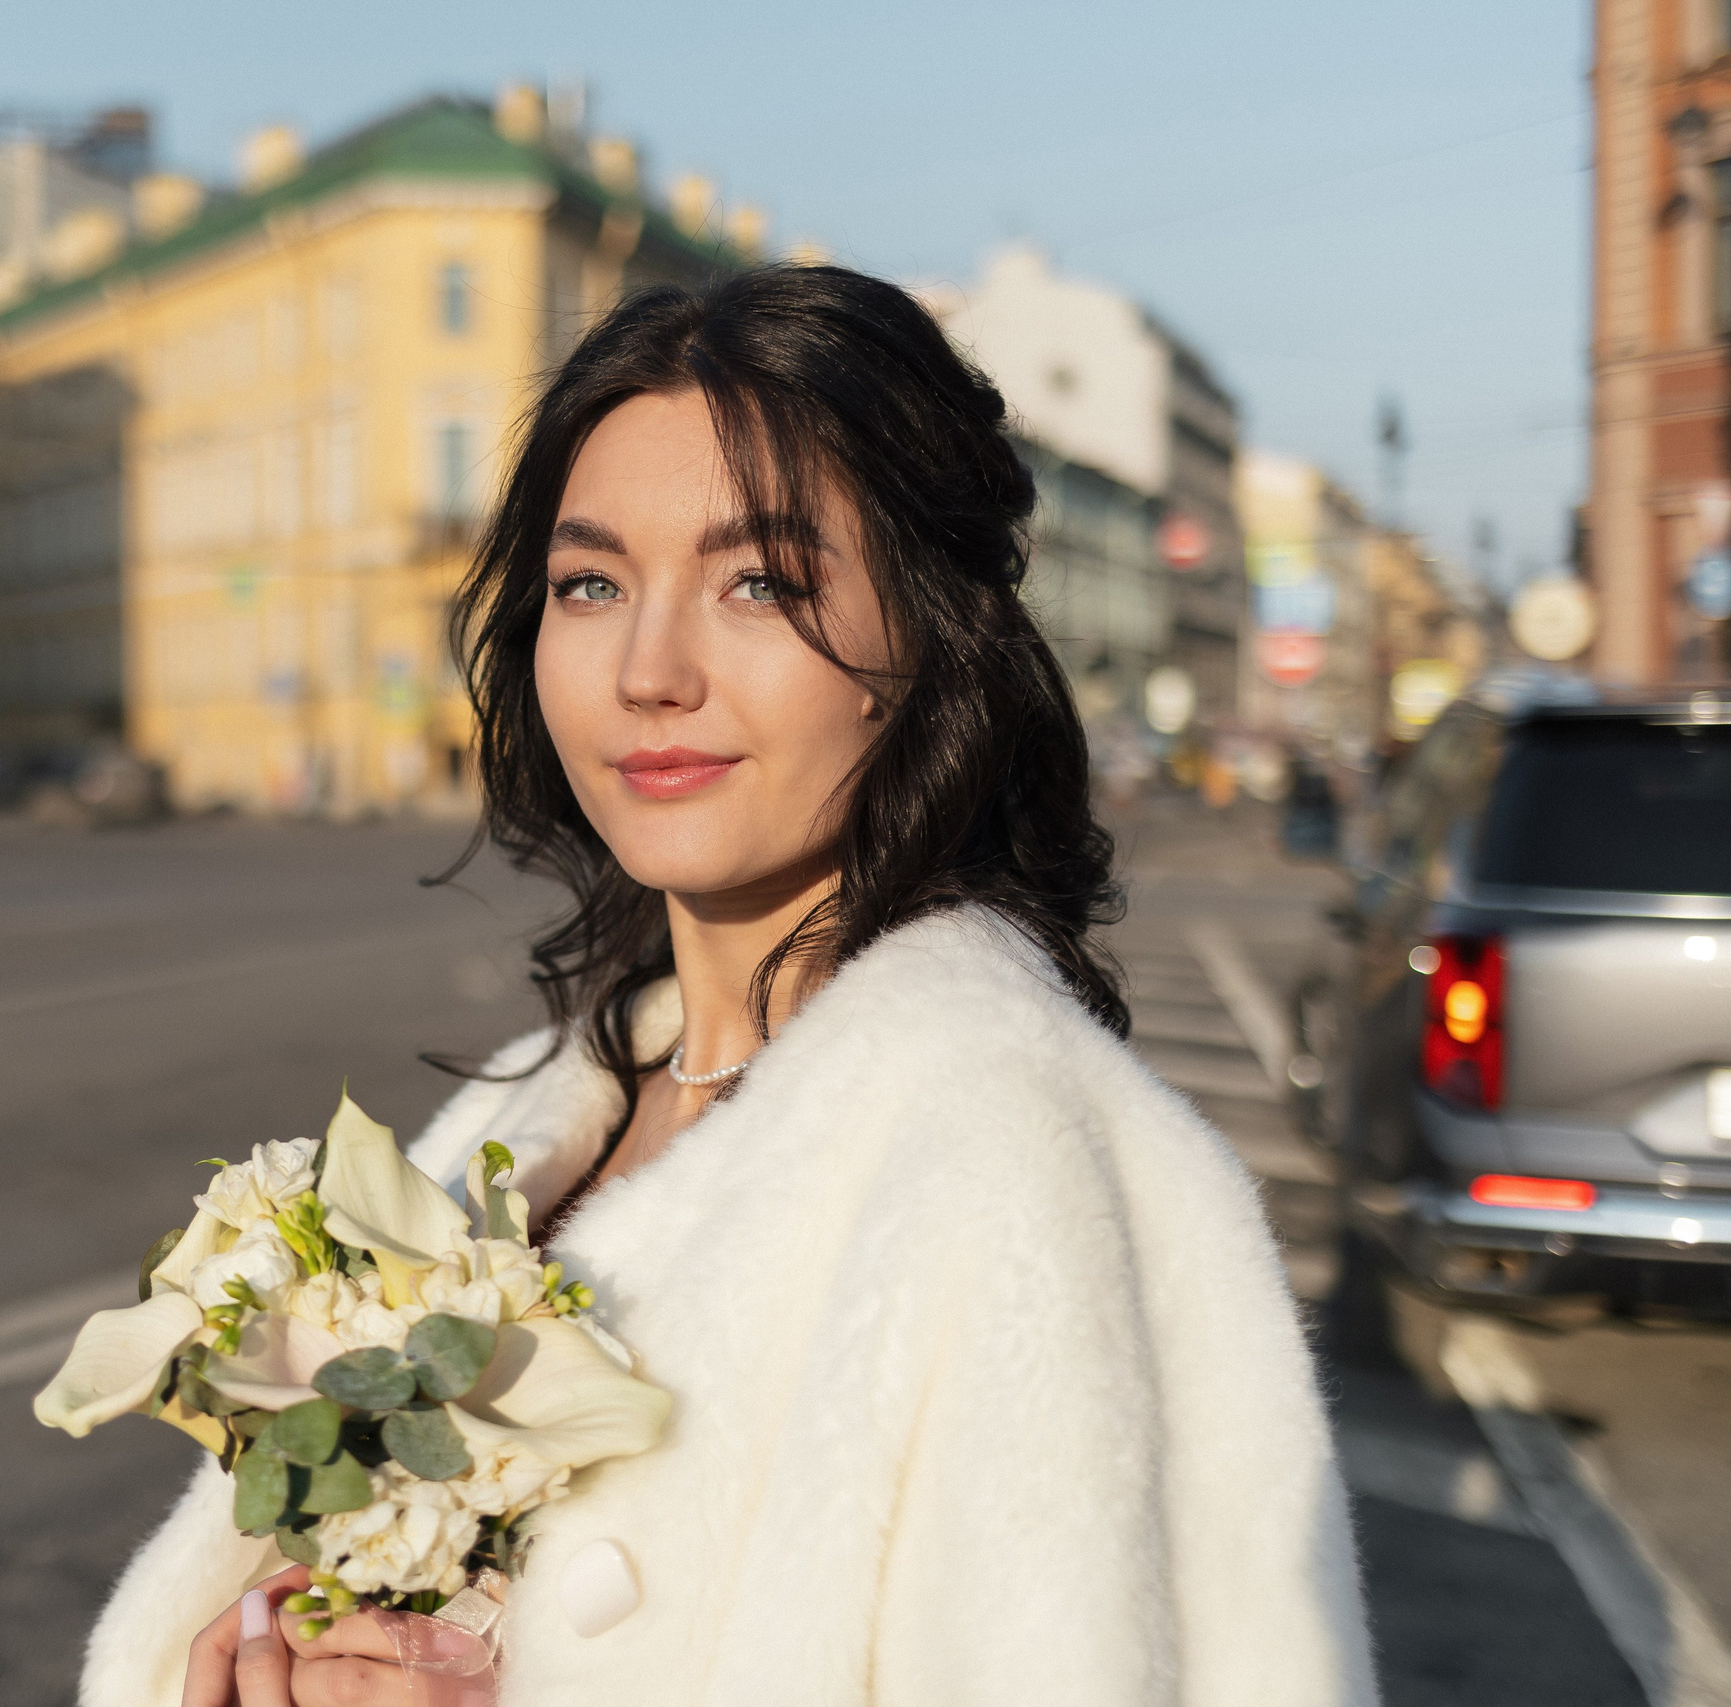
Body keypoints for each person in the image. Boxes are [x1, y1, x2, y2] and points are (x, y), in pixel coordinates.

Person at [90, 267, 1375, 1707]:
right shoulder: (541, 1110)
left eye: (757, 582)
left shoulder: (1000, 1157)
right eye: (591, 584)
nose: (649, 669)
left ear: (928, 635)